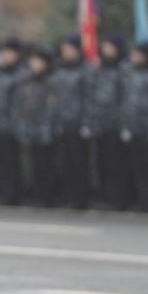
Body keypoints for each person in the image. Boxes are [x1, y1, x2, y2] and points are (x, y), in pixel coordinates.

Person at [122, 41, 148, 212]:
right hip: (134, 127)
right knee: (138, 166)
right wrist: (126, 125)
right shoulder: (131, 73)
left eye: (138, 54)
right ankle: (143, 199)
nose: (134, 57)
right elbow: (127, 102)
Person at [91, 34, 131, 210]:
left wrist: (124, 123)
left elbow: (126, 99)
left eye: (109, 46)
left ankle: (119, 198)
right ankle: (105, 196)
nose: (105, 49)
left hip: (117, 124)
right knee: (103, 163)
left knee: (117, 165)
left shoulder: (124, 69)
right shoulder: (100, 68)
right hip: (102, 123)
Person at [13, 45, 57, 207]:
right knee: (32, 163)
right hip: (29, 125)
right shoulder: (26, 80)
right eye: (33, 62)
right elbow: (21, 103)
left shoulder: (51, 81)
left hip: (45, 128)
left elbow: (53, 107)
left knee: (45, 163)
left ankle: (47, 195)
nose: (34, 65)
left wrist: (48, 126)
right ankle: (35, 193)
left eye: (38, 62)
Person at [52, 35, 92, 209]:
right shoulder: (60, 70)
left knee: (79, 162)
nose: (66, 52)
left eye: (69, 49)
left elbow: (88, 98)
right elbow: (55, 98)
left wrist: (86, 123)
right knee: (65, 162)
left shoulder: (84, 70)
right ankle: (68, 195)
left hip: (78, 122)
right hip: (63, 122)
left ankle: (81, 197)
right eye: (64, 49)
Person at [0, 38, 27, 204]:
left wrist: (15, 124)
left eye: (8, 53)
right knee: (0, 161)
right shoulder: (0, 73)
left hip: (12, 125)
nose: (4, 56)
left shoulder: (21, 74)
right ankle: (2, 192)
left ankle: (13, 194)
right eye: (3, 52)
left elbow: (19, 104)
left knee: (12, 162)